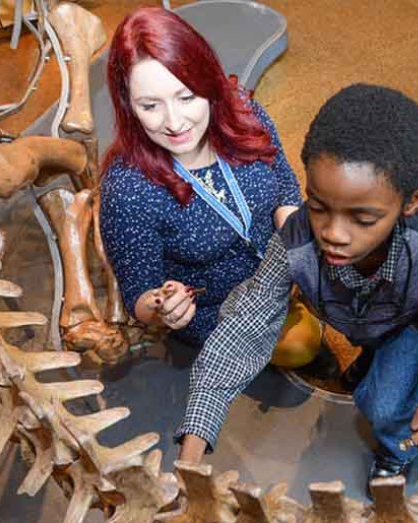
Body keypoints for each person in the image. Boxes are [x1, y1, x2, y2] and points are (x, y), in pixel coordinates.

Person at [174, 84, 418, 488]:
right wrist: (193, 449)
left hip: (408, 322)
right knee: (371, 362)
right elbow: (243, 328)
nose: (333, 234)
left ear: (413, 202)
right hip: (353, 318)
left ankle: (398, 451)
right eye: (318, 206)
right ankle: (369, 359)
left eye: (362, 219)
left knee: (383, 403)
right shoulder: (294, 241)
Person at [99, 7, 304, 346]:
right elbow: (140, 296)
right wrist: (163, 307)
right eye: (150, 106)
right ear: (128, 106)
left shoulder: (244, 112)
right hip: (219, 313)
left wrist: (302, 251)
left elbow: (285, 187)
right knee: (295, 351)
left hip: (282, 278)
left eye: (187, 97)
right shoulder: (128, 188)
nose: (175, 122)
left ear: (208, 83)